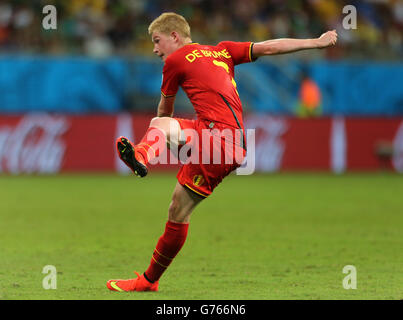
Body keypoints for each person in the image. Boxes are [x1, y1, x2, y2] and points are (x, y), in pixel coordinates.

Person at [106, 12, 337, 292]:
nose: (155, 49)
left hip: (217, 139)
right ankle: (149, 281)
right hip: (227, 140)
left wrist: (167, 142)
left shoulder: (176, 61)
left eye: (157, 41)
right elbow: (269, 47)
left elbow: (165, 110)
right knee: (178, 210)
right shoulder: (222, 50)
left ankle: (141, 157)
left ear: (174, 36)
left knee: (160, 125)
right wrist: (315, 42)